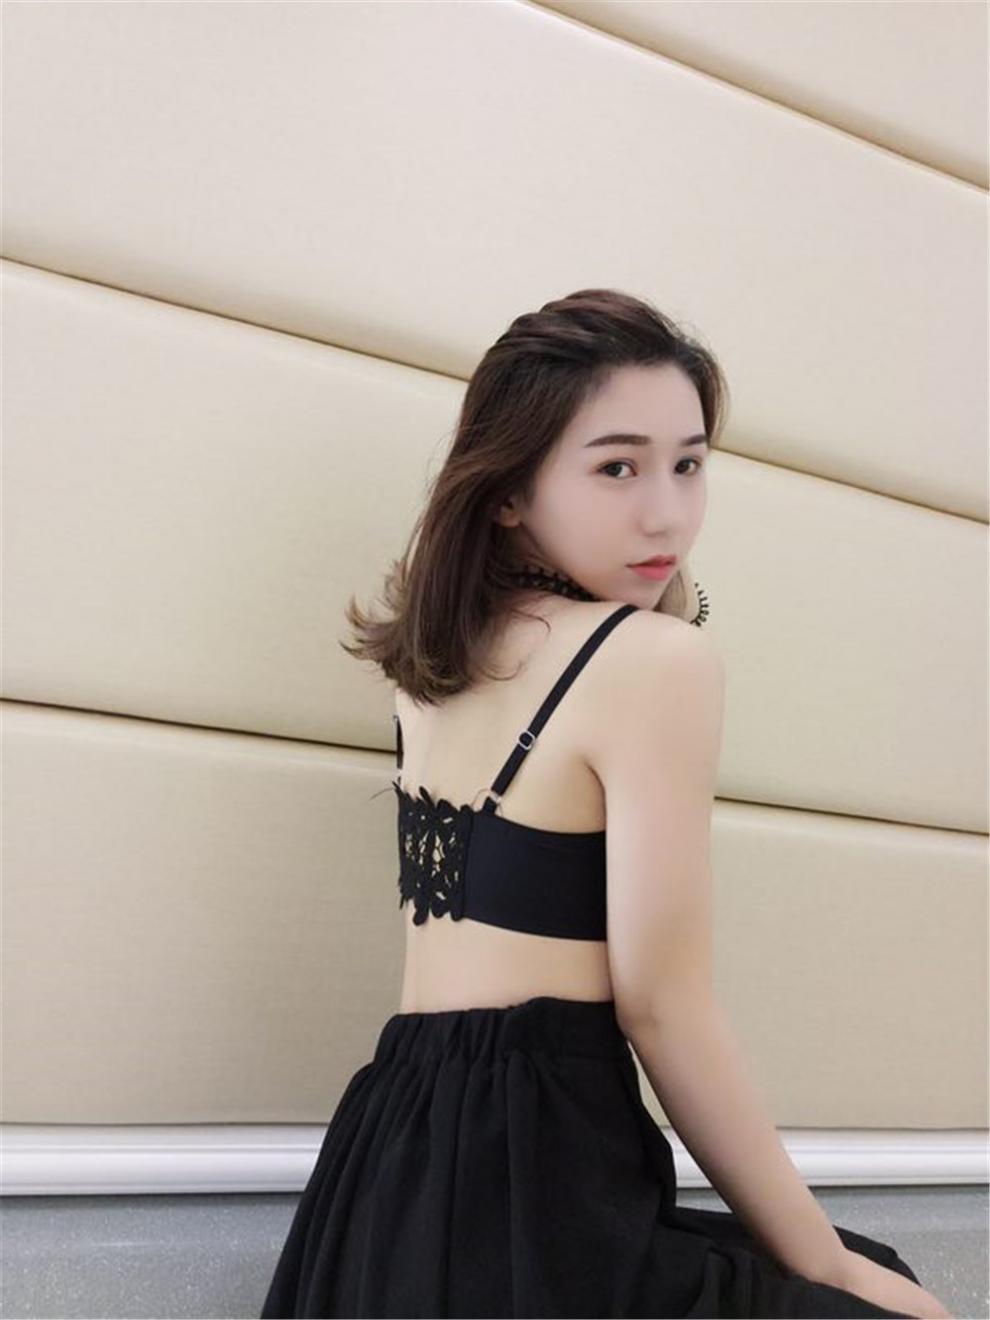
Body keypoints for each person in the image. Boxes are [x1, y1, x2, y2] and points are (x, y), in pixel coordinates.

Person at [260, 289, 952, 1319]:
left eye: (689, 464)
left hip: (390, 1176)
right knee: (871, 1283)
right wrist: (831, 1268)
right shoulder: (655, 665)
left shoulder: (431, 666)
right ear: (509, 488)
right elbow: (663, 1010)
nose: (666, 513)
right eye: (617, 467)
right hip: (541, 1197)